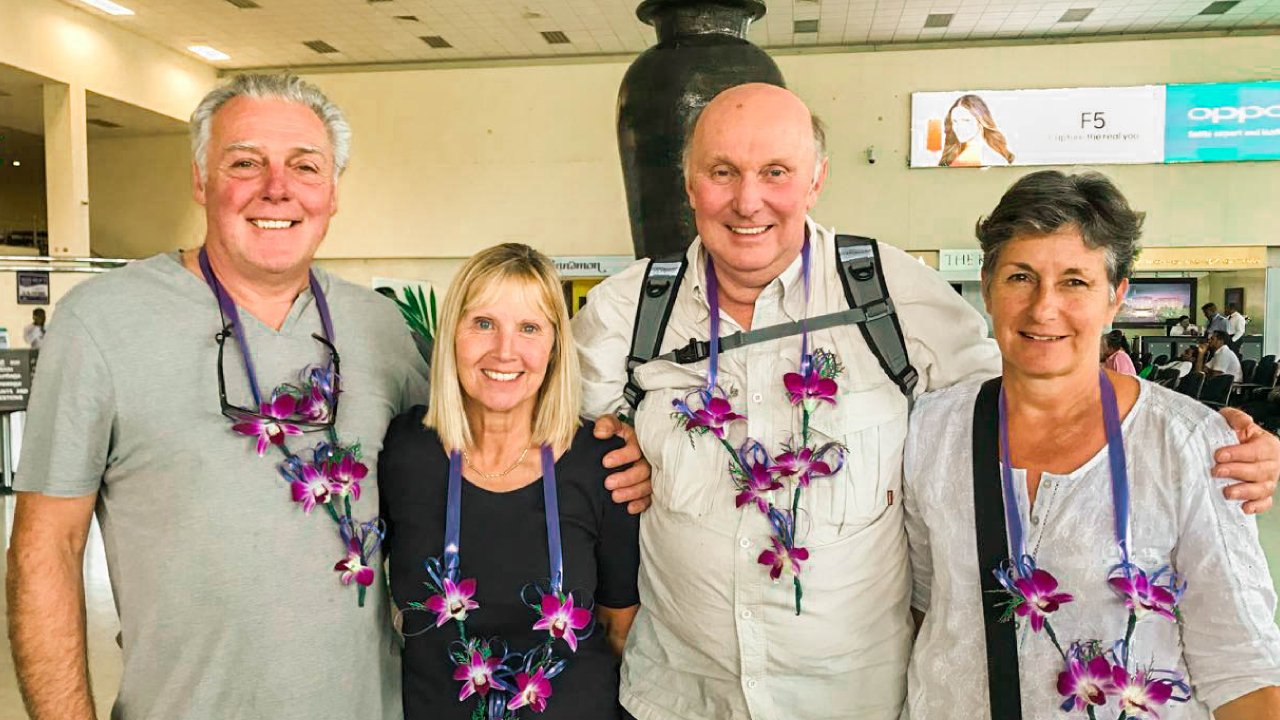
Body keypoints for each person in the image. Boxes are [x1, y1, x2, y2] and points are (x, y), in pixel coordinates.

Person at [571, 83, 1280, 720]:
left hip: (854, 703)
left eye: (776, 172)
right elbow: (538, 433)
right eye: (722, 172)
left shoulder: (892, 293)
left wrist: (1193, 438)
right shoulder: (626, 311)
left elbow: (1026, 386)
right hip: (680, 697)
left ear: (816, 180)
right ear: (689, 183)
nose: (748, 200)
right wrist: (609, 447)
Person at [5, 74, 650, 720]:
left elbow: (477, 425)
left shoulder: (377, 329)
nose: (276, 187)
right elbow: (45, 550)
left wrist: (617, 446)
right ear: (200, 179)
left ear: (333, 192)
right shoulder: (102, 324)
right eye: (245, 162)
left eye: (305, 166)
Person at [904, 169, 1280, 719]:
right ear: (986, 287)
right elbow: (924, 606)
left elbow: (1241, 662)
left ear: (1115, 296)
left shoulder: (1187, 443)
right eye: (1020, 277)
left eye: (1075, 282)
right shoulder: (932, 430)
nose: (1043, 308)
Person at [381, 244, 639, 720]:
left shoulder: (601, 463)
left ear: (555, 347)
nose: (504, 350)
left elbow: (619, 627)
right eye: (483, 323)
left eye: (529, 328)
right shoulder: (403, 452)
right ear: (452, 335)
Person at [938, 94, 1015, 168]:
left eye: (966, 120)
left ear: (980, 120)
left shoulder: (990, 158)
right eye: (954, 121)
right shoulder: (954, 152)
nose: (959, 127)